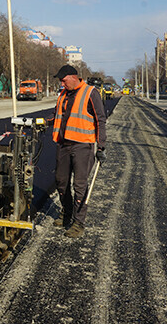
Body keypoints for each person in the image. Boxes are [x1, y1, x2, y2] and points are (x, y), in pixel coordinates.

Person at [52, 64, 107, 238]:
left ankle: (78, 223)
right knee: (61, 181)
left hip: (83, 145)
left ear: (73, 77)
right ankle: (67, 212)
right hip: (64, 144)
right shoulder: (63, 94)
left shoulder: (90, 93)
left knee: (80, 185)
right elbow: (60, 117)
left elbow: (100, 119)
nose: (62, 83)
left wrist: (101, 146)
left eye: (63, 80)